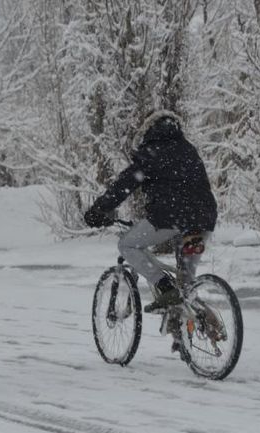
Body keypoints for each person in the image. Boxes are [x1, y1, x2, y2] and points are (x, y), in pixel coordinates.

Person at [84, 110, 217, 313]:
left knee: (127, 245)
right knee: (187, 285)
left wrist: (100, 208)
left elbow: (126, 183)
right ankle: (192, 329)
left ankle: (163, 286)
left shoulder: (152, 152)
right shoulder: (188, 149)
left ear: (150, 129)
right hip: (202, 220)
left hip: (172, 217)